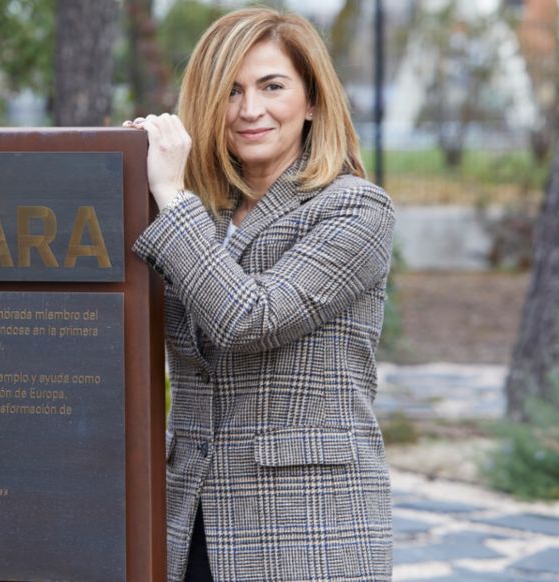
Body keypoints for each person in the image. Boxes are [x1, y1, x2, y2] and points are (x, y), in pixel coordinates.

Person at [124, 7, 396, 582]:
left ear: (312, 100)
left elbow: (250, 318)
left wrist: (170, 195)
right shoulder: (200, 213)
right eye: (231, 90)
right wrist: (128, 176)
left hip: (307, 527)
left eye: (273, 86)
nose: (250, 109)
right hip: (187, 521)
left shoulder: (355, 209)